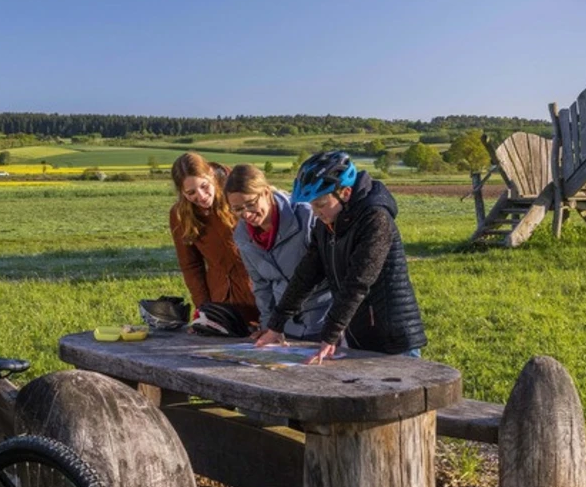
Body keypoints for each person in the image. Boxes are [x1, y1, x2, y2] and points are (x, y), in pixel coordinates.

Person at [255, 151, 426, 364]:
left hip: (393, 340)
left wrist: (330, 334)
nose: (315, 212)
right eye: (312, 205)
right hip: (358, 335)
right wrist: (276, 325)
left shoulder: (376, 219)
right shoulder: (327, 224)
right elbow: (305, 276)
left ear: (345, 193)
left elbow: (358, 282)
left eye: (320, 204)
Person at [224, 163, 332, 341]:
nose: (247, 214)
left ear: (266, 192)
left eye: (250, 204)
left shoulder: (307, 217)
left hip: (323, 318)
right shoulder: (242, 236)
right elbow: (261, 286)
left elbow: (335, 270)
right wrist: (268, 326)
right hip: (285, 327)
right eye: (237, 209)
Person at [167, 153, 259, 333]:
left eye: (204, 186)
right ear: (181, 192)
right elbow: (191, 266)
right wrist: (204, 309)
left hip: (259, 290)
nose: (200, 196)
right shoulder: (180, 214)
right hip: (220, 297)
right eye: (190, 192)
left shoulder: (237, 194)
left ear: (211, 175)